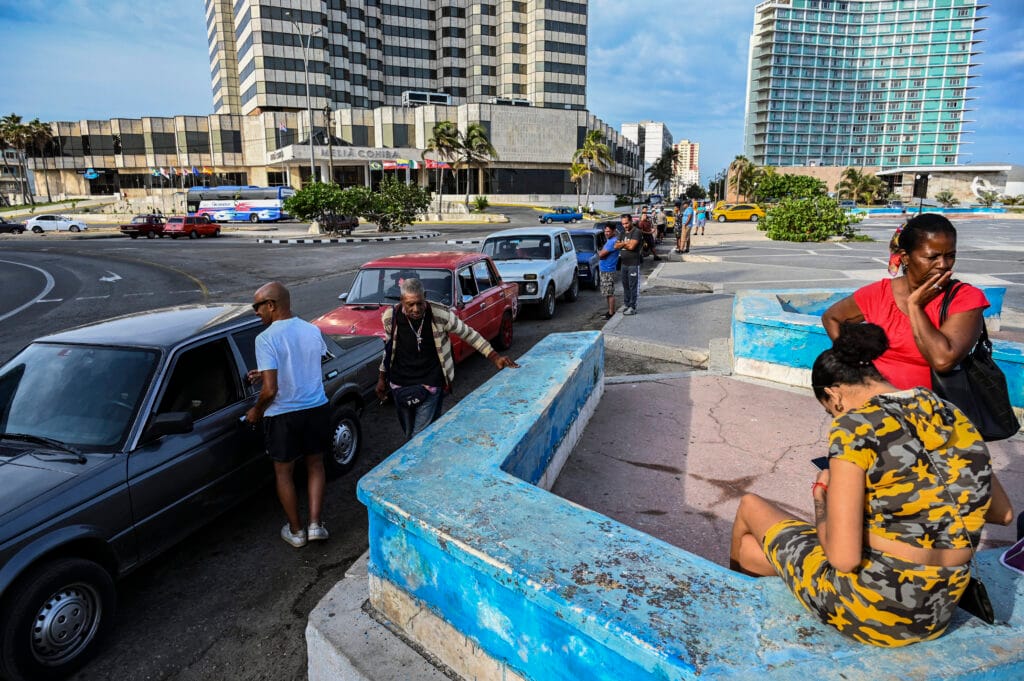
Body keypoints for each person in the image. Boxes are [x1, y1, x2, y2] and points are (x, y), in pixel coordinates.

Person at [730, 322, 1013, 647]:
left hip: (873, 615)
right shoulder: (951, 415)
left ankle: (737, 622)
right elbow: (1002, 514)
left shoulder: (853, 427)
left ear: (834, 394)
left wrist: (822, 495)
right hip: (939, 611)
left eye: (831, 411)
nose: (836, 417)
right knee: (753, 552)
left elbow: (843, 559)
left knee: (750, 508)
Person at [821, 214, 988, 390]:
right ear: (906, 257)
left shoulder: (965, 298)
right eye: (932, 257)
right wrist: (858, 366)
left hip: (933, 409)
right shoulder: (879, 293)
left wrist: (915, 307)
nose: (944, 264)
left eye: (950, 256)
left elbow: (942, 360)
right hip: (877, 405)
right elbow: (832, 318)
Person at [377, 278, 519, 440]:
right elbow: (389, 349)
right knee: (409, 435)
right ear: (401, 301)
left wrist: (495, 357)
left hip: (430, 384)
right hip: (400, 386)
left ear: (424, 296)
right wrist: (382, 377)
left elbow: (468, 334)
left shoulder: (440, 315)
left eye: (419, 303)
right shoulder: (391, 318)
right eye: (410, 304)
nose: (416, 309)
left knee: (418, 438)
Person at [246, 282, 331, 549]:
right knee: (316, 465)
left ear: (271, 305)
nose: (256, 312)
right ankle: (316, 525)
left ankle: (296, 531)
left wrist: (256, 411)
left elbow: (271, 390)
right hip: (316, 408)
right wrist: (269, 371)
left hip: (283, 415)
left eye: (257, 306)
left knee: (284, 473)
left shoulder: (265, 338)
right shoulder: (312, 329)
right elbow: (311, 363)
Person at [614, 213, 642, 315]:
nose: (625, 225)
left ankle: (632, 307)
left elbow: (632, 247)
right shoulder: (622, 233)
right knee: (625, 285)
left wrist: (623, 244)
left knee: (633, 286)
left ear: (631, 221)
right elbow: (616, 246)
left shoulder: (636, 232)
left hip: (633, 264)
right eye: (623, 224)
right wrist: (626, 243)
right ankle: (626, 304)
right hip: (624, 264)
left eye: (626, 223)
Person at [598, 222, 620, 319]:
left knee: (610, 293)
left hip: (608, 270)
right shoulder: (610, 240)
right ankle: (609, 312)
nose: (606, 233)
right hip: (605, 269)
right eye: (605, 231)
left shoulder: (612, 242)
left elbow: (601, 254)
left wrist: (600, 253)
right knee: (607, 292)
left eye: (608, 231)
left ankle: (611, 313)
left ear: (614, 231)